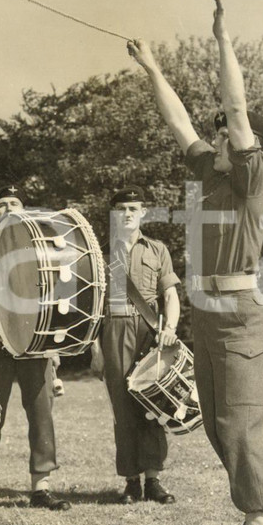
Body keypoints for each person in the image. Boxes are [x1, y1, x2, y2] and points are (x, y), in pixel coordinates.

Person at [126, 0, 263, 525]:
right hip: (205, 316)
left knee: (240, 425)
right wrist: (151, 68)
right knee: (220, 429)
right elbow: (177, 120)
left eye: (228, 132)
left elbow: (238, 111)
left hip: (241, 314)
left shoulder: (251, 181)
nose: (218, 134)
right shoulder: (210, 174)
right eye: (217, 132)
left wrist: (221, 37)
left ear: (249, 146)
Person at [0, 185, 70, 515]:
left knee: (42, 417)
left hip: (35, 344)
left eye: (15, 203)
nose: (8, 208)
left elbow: (54, 301)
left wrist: (53, 348)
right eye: (1, 205)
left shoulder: (41, 251)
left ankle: (41, 488)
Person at [88, 186, 182, 506]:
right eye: (121, 209)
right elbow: (91, 307)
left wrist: (169, 328)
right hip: (112, 327)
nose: (127, 214)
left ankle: (154, 479)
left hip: (149, 330)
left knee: (153, 404)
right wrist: (95, 349)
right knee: (122, 407)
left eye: (133, 209)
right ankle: (131, 481)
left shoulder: (158, 250)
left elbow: (169, 295)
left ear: (143, 213)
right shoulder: (98, 254)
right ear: (113, 215)